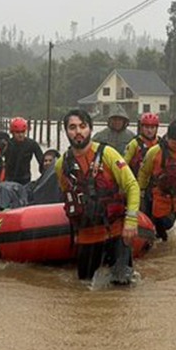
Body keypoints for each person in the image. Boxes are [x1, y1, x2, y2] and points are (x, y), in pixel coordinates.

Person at [55, 109, 140, 285]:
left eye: (82, 126)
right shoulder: (61, 165)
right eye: (72, 127)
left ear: (90, 129)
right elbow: (66, 194)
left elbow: (132, 186)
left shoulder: (108, 154)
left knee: (122, 285)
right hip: (88, 235)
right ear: (66, 132)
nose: (78, 132)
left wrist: (131, 221)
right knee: (84, 289)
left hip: (116, 232)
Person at [124, 112, 161, 217]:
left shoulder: (162, 144)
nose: (149, 130)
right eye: (146, 127)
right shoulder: (134, 144)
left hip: (156, 187)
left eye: (152, 127)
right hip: (138, 186)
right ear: (141, 127)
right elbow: (123, 164)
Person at [3, 117, 44, 185]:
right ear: (12, 132)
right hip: (8, 179)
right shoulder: (7, 144)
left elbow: (42, 160)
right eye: (17, 132)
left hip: (25, 179)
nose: (20, 135)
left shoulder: (32, 144)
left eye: (23, 131)